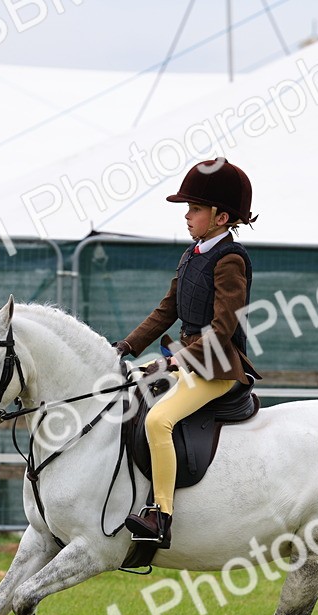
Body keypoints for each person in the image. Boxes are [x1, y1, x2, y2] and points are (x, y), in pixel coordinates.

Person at [112, 158, 261, 548]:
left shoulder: (230, 260)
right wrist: (126, 346)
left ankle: (161, 516)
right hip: (186, 360)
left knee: (158, 421)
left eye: (195, 209)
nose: (188, 216)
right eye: (188, 209)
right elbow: (167, 310)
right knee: (129, 398)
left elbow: (223, 328)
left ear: (221, 216)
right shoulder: (192, 254)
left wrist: (176, 360)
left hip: (216, 368)